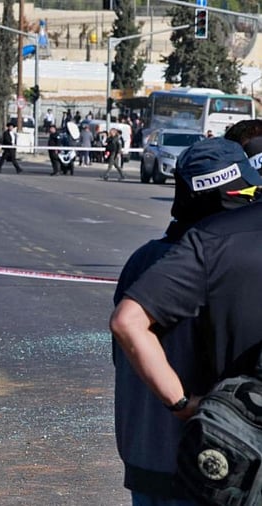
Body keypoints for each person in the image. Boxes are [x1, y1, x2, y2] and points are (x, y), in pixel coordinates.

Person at [111, 131, 262, 506]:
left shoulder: (143, 259)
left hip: (145, 456)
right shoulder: (223, 259)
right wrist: (182, 404)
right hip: (213, 461)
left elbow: (123, 352)